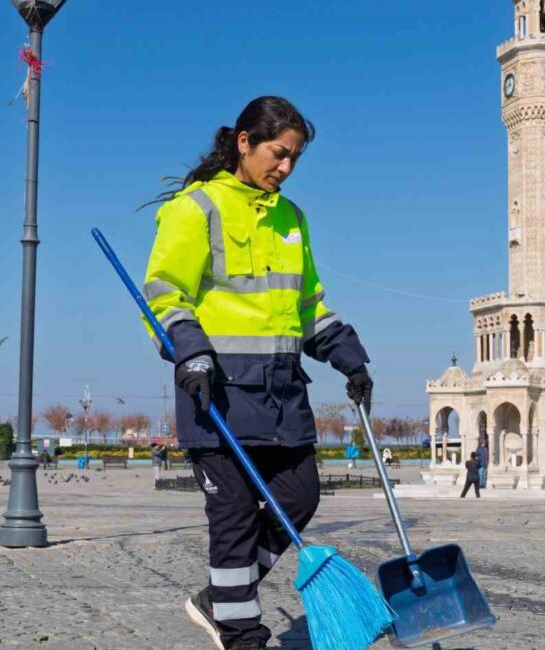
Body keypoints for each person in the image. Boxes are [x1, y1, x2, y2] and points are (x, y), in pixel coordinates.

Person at [143, 96, 373, 650]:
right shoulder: (194, 209)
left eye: (295, 159)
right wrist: (190, 353)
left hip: (283, 394)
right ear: (244, 142)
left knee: (300, 496)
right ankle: (242, 634)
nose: (286, 168)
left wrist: (350, 356)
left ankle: (219, 599)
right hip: (217, 394)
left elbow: (307, 304)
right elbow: (164, 295)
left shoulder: (292, 219)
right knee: (234, 520)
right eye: (278, 154)